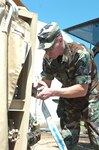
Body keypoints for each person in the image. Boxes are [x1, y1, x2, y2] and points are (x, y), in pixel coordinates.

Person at [35, 22, 99, 150]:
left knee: (97, 142)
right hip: (68, 96)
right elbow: (46, 82)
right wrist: (38, 88)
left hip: (90, 96)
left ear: (59, 40)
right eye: (44, 48)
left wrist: (52, 92)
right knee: (67, 143)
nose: (46, 51)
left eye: (49, 47)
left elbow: (82, 90)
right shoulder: (48, 58)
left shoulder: (80, 53)